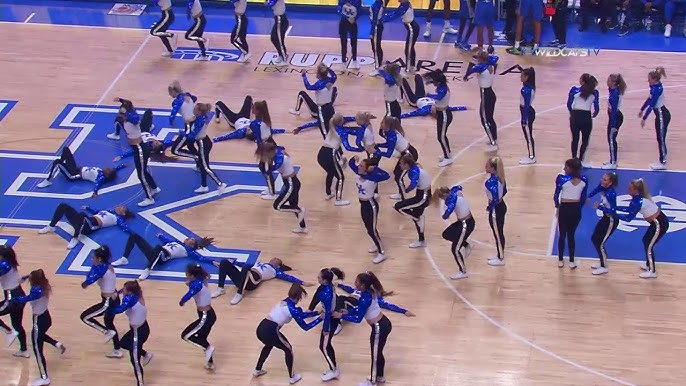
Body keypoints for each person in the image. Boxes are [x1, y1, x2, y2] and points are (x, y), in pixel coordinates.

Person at [341, 271, 414, 386]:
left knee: (375, 355)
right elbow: (360, 309)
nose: (354, 282)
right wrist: (348, 311)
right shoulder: (370, 292)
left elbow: (357, 319)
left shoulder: (365, 297)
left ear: (362, 285)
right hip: (384, 323)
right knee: (378, 353)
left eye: (357, 281)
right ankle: (379, 377)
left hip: (378, 327)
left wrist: (341, 315)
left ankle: (373, 381)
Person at [252, 283, 323, 384]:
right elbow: (305, 327)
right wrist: (320, 319)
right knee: (288, 350)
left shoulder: (285, 301)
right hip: (271, 330)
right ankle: (292, 377)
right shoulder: (293, 310)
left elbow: (301, 315)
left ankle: (257, 370)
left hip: (261, 327)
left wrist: (316, 313)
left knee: (268, 345)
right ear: (299, 297)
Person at [599, 178, 669, 278]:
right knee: (646, 240)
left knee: (649, 245)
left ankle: (652, 271)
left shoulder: (638, 201)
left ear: (636, 190)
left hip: (659, 224)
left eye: (630, 188)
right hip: (657, 223)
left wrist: (612, 213)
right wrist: (615, 208)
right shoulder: (637, 198)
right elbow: (629, 209)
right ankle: (648, 264)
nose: (628, 190)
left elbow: (628, 218)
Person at [11, 269, 65, 386]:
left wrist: (13, 300)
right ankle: (56, 344)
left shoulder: (36, 290)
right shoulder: (44, 285)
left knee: (37, 349)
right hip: (46, 317)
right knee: (39, 337)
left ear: (34, 280)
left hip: (38, 320)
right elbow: (31, 276)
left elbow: (25, 299)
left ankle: (44, 377)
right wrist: (25, 277)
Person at [112, 97, 160, 206]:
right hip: (136, 148)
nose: (119, 114)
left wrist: (126, 113)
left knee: (141, 175)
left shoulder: (133, 119)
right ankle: (154, 188)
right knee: (143, 171)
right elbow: (128, 103)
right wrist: (120, 100)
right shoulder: (126, 118)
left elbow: (134, 117)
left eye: (121, 113)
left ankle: (149, 198)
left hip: (140, 148)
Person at [80, 246, 123, 358]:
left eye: (93, 257)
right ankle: (117, 350)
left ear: (99, 259)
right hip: (114, 298)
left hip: (108, 302)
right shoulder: (107, 265)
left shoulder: (102, 268)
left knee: (85, 317)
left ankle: (106, 332)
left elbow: (91, 278)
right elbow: (92, 271)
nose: (91, 259)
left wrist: (86, 283)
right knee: (109, 323)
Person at [113, 232, 215, 280]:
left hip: (163, 257)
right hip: (156, 253)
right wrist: (161, 236)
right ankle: (124, 258)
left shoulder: (187, 251)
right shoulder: (177, 242)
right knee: (134, 236)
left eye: (190, 240)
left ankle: (148, 269)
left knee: (158, 248)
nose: (187, 239)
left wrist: (212, 261)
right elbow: (167, 240)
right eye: (188, 238)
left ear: (191, 245)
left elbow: (200, 258)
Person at [108, 281, 154, 386]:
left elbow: (119, 309)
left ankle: (140, 383)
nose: (122, 291)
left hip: (138, 333)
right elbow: (123, 294)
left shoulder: (130, 300)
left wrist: (108, 308)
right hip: (141, 328)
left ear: (129, 292)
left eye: (124, 290)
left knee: (135, 361)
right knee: (123, 343)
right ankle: (146, 354)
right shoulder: (137, 295)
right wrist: (118, 292)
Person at [256, 142, 308, 233]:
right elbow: (280, 147)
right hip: (292, 182)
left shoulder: (280, 157)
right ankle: (302, 227)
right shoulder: (277, 152)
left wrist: (266, 162)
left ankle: (300, 210)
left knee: (277, 205)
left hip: (291, 183)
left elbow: (269, 171)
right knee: (292, 205)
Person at [211, 257, 308, 305]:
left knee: (246, 267)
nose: (274, 259)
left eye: (277, 260)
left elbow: (288, 277)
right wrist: (231, 263)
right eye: (274, 258)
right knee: (224, 262)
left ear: (278, 265)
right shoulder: (259, 263)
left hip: (252, 282)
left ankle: (239, 293)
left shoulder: (275, 271)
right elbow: (241, 264)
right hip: (243, 277)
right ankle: (220, 289)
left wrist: (302, 282)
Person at [349, 156, 390, 263]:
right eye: (360, 165)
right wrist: (354, 158)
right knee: (369, 229)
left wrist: (375, 169)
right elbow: (351, 164)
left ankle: (382, 253)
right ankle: (377, 244)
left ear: (367, 168)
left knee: (372, 229)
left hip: (371, 205)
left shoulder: (374, 177)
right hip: (363, 204)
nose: (359, 167)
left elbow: (387, 175)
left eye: (362, 166)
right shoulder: (360, 173)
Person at [38, 203, 134, 249]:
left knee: (82, 215)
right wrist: (88, 208)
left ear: (123, 213)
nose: (120, 206)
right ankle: (51, 226)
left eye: (122, 208)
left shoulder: (118, 219)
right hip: (83, 222)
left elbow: (124, 227)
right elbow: (97, 212)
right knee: (63, 206)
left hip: (90, 227)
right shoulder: (109, 211)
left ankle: (75, 238)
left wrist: (132, 234)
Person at [36, 147, 126, 196]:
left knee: (57, 162)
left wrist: (95, 193)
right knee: (66, 149)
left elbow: (97, 185)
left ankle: (47, 181)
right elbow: (116, 169)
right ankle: (63, 167)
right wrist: (123, 165)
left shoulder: (100, 177)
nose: (107, 168)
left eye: (108, 170)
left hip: (73, 175)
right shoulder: (104, 172)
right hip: (76, 168)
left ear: (107, 175)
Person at [308, 268, 345, 381]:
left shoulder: (327, 293)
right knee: (325, 345)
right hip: (329, 317)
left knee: (324, 346)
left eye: (319, 277)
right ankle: (332, 367)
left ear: (324, 280)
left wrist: (326, 328)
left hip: (331, 320)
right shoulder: (325, 286)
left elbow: (328, 313)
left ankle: (334, 371)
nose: (317, 278)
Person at [179, 264, 216, 370]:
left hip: (205, 317)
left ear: (192, 275)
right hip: (209, 315)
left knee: (186, 336)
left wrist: (182, 301)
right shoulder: (201, 279)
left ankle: (208, 348)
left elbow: (190, 294)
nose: (185, 275)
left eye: (187, 273)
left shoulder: (196, 285)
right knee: (201, 338)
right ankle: (210, 363)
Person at [554, 158, 588, 268]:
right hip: (574, 209)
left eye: (566, 167)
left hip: (566, 208)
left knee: (565, 234)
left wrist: (558, 206)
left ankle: (563, 260)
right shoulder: (583, 179)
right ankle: (569, 260)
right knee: (567, 235)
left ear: (572, 169)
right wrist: (578, 207)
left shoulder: (561, 179)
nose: (564, 168)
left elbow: (556, 195)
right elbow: (583, 198)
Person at [188, 103, 229, 194]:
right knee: (203, 166)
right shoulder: (200, 118)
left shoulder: (200, 120)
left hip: (203, 143)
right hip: (204, 141)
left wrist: (182, 134)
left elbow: (193, 134)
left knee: (205, 167)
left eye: (195, 109)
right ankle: (204, 186)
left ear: (199, 111)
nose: (193, 110)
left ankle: (220, 184)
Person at [437, 185, 475, 280]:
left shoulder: (452, 200)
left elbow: (447, 213)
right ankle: (466, 245)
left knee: (455, 249)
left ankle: (463, 271)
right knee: (446, 234)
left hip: (466, 224)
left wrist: (445, 215)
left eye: (443, 198)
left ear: (445, 195)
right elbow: (459, 187)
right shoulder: (454, 191)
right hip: (462, 222)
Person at [375, 116, 418, 200]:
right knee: (396, 172)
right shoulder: (389, 132)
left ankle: (402, 195)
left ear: (388, 125)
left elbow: (388, 154)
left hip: (409, 155)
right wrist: (379, 145)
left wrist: (376, 152)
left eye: (383, 122)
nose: (381, 123)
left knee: (399, 176)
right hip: (406, 153)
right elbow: (389, 144)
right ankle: (401, 192)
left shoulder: (392, 136)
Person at [463, 52, 499, 153]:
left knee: (484, 119)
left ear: (481, 59)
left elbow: (471, 70)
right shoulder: (491, 63)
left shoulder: (481, 67)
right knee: (490, 118)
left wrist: (465, 76)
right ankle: (494, 138)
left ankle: (493, 142)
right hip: (491, 93)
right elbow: (496, 57)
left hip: (485, 95)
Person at [291, 64, 338, 139]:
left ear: (318, 75)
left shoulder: (319, 84)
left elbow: (308, 87)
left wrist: (304, 75)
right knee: (334, 89)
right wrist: (328, 68)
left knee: (302, 93)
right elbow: (334, 76)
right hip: (329, 106)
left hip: (319, 109)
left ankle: (296, 110)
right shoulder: (331, 80)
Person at [394, 154, 431, 249]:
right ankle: (421, 240)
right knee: (416, 217)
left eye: (401, 164)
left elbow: (413, 183)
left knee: (398, 207)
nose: (400, 166)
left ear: (406, 164)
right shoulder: (415, 166)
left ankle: (417, 218)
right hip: (423, 194)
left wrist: (406, 190)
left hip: (423, 197)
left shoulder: (414, 171)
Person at [639, 67, 671, 171]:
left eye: (649, 79)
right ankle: (663, 158)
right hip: (660, 114)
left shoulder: (657, 89)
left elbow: (652, 104)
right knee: (660, 138)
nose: (648, 81)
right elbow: (649, 99)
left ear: (655, 79)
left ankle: (663, 162)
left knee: (661, 138)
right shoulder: (654, 87)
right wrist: (642, 109)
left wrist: (644, 118)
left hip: (662, 114)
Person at [587, 172, 619, 275]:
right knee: (594, 238)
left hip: (611, 220)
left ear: (610, 183)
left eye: (605, 180)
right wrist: (588, 196)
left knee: (599, 242)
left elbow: (613, 211)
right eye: (602, 178)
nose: (602, 181)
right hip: (605, 218)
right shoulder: (603, 187)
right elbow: (597, 189)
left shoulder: (611, 194)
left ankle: (604, 266)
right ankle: (602, 261)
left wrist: (599, 207)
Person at [0, 245, 28, 358]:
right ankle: (24, 350)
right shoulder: (11, 263)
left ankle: (9, 332)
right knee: (17, 324)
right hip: (20, 295)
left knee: (16, 327)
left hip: (12, 298)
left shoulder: (4, 265)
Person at [566, 74, 599, 167]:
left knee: (575, 139)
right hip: (586, 117)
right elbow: (596, 108)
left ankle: (573, 158)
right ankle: (581, 159)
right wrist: (595, 113)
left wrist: (572, 113)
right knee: (585, 140)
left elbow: (569, 104)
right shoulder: (594, 92)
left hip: (575, 116)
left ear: (583, 82)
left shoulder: (574, 90)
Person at [424, 69, 454, 166]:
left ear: (439, 82)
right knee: (441, 136)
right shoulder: (441, 86)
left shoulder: (443, 89)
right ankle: (447, 153)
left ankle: (448, 157)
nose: (433, 83)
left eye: (435, 81)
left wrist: (429, 95)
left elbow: (439, 97)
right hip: (441, 113)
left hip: (444, 114)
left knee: (441, 137)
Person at [381, 0, 419, 74]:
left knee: (409, 48)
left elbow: (395, 14)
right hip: (412, 28)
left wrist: (382, 18)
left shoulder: (404, 6)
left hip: (412, 29)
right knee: (410, 47)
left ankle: (410, 67)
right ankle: (411, 65)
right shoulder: (405, 4)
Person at [485, 157, 507, 266]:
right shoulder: (500, 177)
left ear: (493, 168)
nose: (485, 167)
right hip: (501, 206)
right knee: (499, 232)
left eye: (487, 165)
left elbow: (495, 198)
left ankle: (501, 258)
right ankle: (499, 254)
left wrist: (489, 207)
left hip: (495, 209)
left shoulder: (491, 182)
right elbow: (505, 191)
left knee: (497, 233)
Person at [602, 73, 627, 170]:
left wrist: (613, 125)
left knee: (612, 139)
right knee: (610, 139)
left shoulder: (615, 93)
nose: (607, 82)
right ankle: (612, 159)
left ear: (614, 83)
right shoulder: (612, 90)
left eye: (608, 81)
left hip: (615, 118)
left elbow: (614, 110)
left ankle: (613, 162)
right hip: (613, 117)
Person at [519, 67, 536, 165]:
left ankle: (531, 156)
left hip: (527, 113)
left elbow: (526, 105)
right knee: (527, 136)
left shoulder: (527, 90)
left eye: (522, 75)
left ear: (527, 77)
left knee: (529, 137)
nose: (520, 77)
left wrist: (524, 119)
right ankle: (531, 154)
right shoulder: (528, 86)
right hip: (526, 111)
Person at [338, 0, 362, 68]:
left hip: (353, 23)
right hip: (343, 22)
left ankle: (354, 60)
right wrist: (347, 18)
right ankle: (343, 61)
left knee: (354, 42)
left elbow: (360, 10)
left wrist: (354, 18)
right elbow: (339, 8)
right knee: (343, 42)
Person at [268, 0, 289, 66]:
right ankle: (281, 54)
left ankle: (284, 59)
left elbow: (270, 3)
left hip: (281, 20)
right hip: (277, 19)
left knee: (279, 40)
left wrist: (268, 2)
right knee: (273, 38)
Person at [368, 0, 386, 77]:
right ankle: (379, 64)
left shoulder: (375, 6)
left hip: (376, 28)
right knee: (377, 46)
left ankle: (377, 68)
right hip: (378, 26)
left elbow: (374, 20)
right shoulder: (380, 3)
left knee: (375, 47)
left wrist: (371, 32)